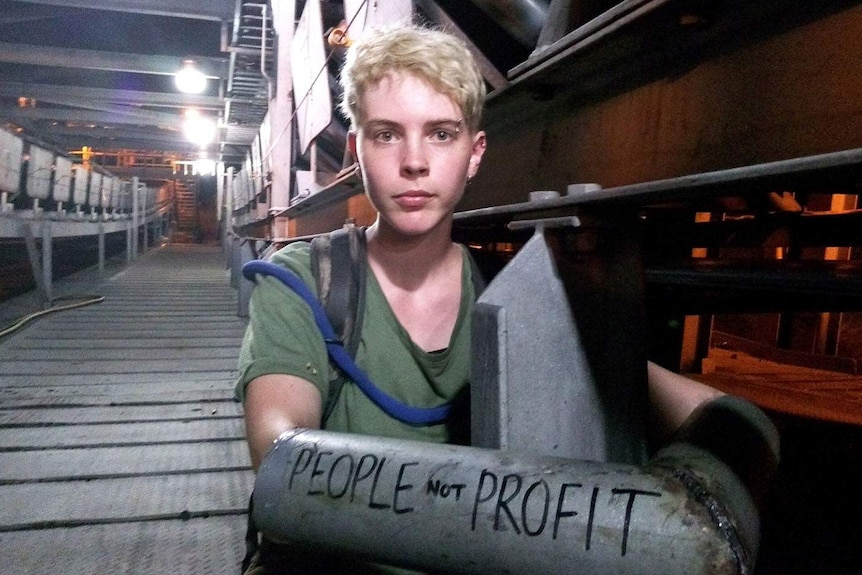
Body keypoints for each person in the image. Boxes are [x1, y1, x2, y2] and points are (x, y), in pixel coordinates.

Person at [236, 23, 731, 574]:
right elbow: (281, 457)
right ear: (357, 151)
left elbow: (716, 417)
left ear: (475, 154)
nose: (415, 161)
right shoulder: (305, 283)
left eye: (442, 134)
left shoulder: (520, 298)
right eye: (386, 134)